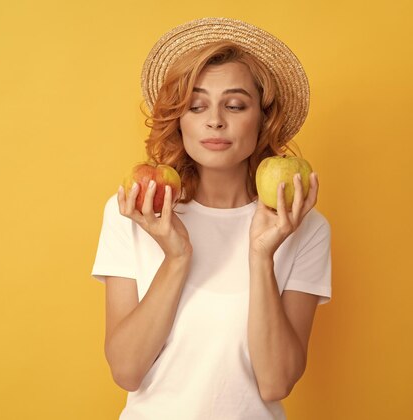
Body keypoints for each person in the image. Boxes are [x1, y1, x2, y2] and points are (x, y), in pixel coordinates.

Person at [91, 17, 332, 420]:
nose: (215, 120)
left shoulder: (303, 226)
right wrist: (177, 257)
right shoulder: (137, 212)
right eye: (196, 105)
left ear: (263, 119)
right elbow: (127, 371)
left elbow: (276, 382)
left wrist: (261, 257)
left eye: (235, 105)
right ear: (179, 119)